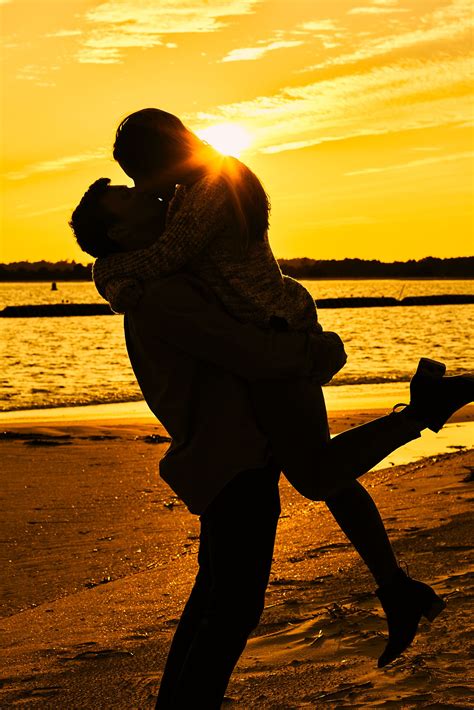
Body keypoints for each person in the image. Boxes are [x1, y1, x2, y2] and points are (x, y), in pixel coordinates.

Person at [70, 110, 472, 706]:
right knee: (301, 497)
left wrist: (109, 271)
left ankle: (400, 560)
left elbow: (169, 264)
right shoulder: (166, 274)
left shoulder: (208, 193)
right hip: (254, 396)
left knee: (301, 493)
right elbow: (205, 314)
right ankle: (397, 577)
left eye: (137, 178)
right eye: (130, 191)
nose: (143, 191)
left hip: (280, 334)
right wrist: (113, 265)